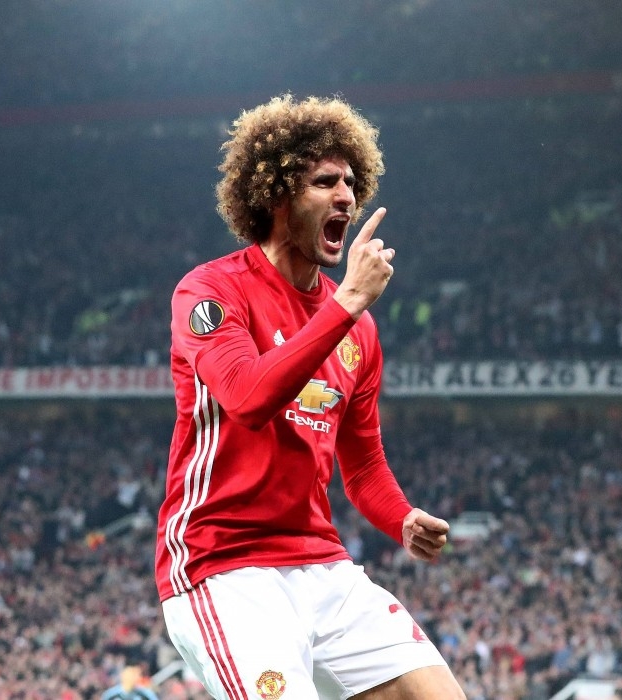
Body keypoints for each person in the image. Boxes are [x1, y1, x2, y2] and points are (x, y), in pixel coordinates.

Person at [154, 94, 465, 700]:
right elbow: (246, 398)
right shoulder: (211, 290)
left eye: (351, 182)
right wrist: (346, 303)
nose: (346, 195)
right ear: (276, 197)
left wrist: (401, 518)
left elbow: (364, 466)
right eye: (325, 182)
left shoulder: (359, 331)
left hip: (323, 567)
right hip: (224, 567)